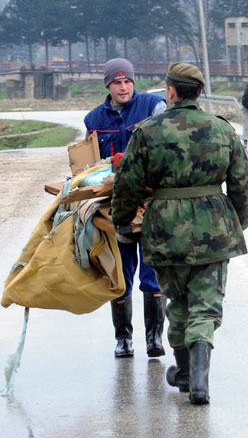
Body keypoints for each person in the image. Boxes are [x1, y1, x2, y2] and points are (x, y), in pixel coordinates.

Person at [110, 62, 248, 405]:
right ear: (200, 93)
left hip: (165, 230)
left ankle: (186, 370)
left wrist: (122, 222)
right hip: (215, 228)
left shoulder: (147, 131)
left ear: (171, 91)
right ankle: (200, 378)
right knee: (206, 307)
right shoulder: (222, 130)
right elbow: (243, 185)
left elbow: (127, 185)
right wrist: (239, 220)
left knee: (177, 302)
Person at [84, 58, 168, 359]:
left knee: (152, 271)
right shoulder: (93, 119)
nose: (123, 87)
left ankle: (154, 338)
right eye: (117, 82)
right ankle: (123, 339)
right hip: (115, 208)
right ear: (108, 85)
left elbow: (166, 146)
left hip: (150, 205)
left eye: (128, 81)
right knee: (119, 273)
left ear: (134, 82)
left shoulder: (153, 107)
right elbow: (88, 167)